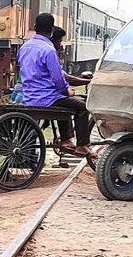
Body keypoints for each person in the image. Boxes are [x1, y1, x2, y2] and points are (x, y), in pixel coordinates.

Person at [16, 11, 92, 156]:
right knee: (82, 107)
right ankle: (81, 145)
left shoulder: (24, 48)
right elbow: (58, 80)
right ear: (52, 30)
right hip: (46, 99)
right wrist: (66, 91)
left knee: (65, 99)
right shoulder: (49, 50)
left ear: (34, 27)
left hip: (29, 96)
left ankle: (67, 139)